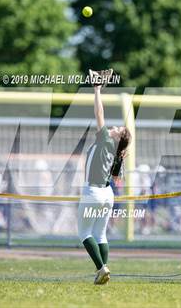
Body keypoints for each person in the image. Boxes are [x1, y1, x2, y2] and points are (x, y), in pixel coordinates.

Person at [78, 69, 131, 285]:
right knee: (100, 235)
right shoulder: (116, 150)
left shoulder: (107, 141)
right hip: (107, 194)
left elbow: (99, 114)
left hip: (93, 191)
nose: (114, 127)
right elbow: (118, 176)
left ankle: (101, 268)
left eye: (118, 129)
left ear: (117, 138)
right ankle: (104, 271)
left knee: (84, 233)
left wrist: (97, 89)